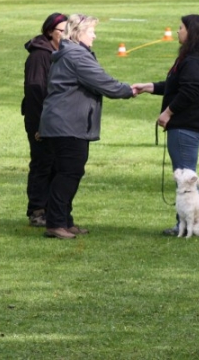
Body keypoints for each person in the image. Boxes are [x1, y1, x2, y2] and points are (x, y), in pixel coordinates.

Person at [39, 14, 137, 239]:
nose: (94, 35)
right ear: (78, 33)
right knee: (68, 173)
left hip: (66, 123)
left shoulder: (73, 53)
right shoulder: (76, 56)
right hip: (67, 124)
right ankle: (55, 223)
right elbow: (102, 81)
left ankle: (65, 221)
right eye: (91, 30)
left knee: (68, 171)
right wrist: (128, 90)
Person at [132, 14, 199, 236]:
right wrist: (149, 86)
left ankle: (187, 225)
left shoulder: (194, 60)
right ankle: (190, 223)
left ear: (191, 32)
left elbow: (189, 91)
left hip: (186, 125)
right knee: (186, 174)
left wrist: (168, 113)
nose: (178, 31)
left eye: (181, 28)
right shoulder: (195, 56)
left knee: (185, 177)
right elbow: (175, 85)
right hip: (193, 123)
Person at [21, 12, 68, 227]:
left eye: (69, 31)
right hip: (39, 119)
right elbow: (35, 91)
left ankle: (51, 209)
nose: (66, 35)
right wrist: (41, 124)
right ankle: (37, 211)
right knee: (42, 163)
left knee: (56, 163)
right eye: (62, 31)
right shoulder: (40, 56)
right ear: (50, 32)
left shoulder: (61, 52)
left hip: (54, 119)